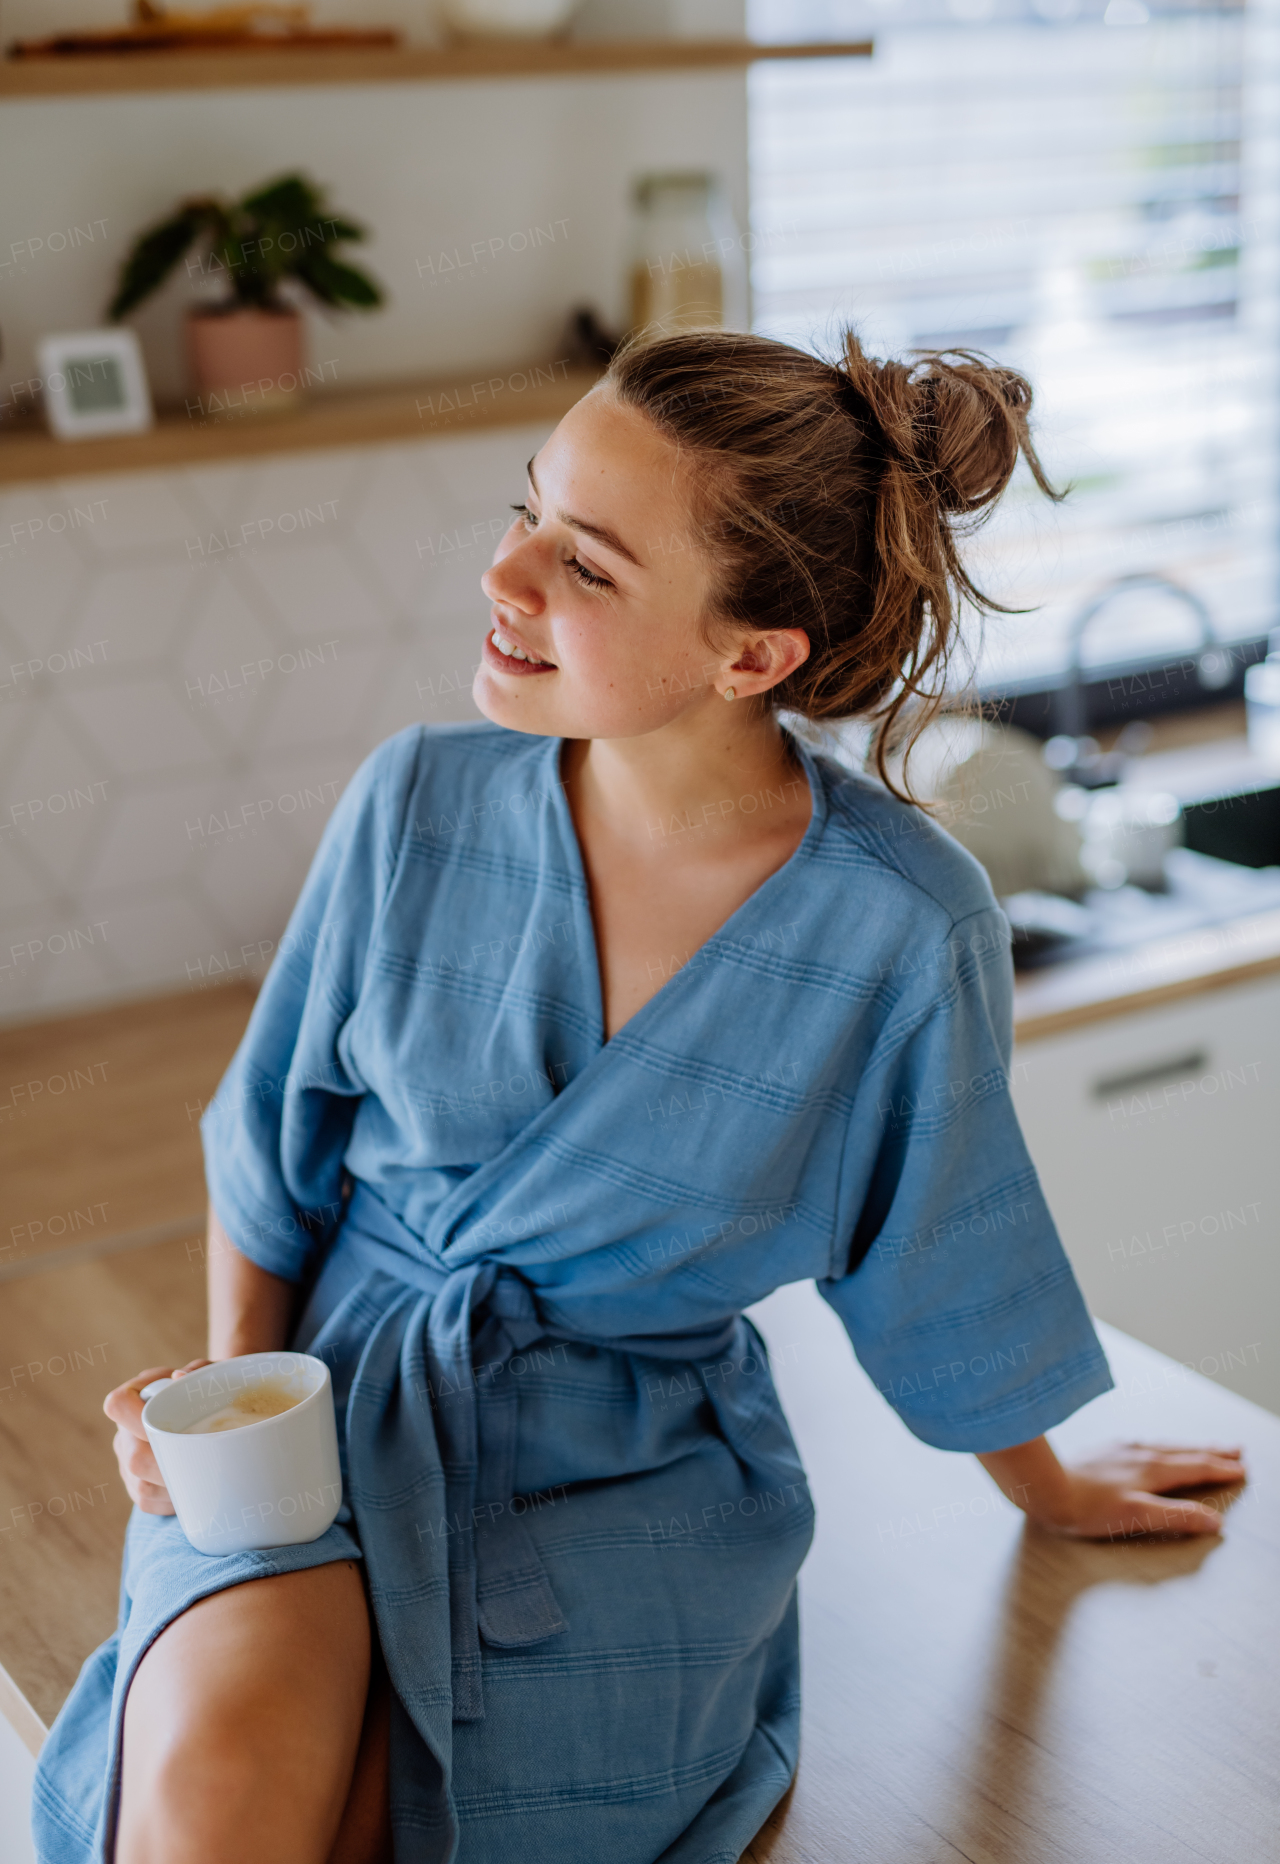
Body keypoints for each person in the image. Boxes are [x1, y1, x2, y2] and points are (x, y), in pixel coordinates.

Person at [33, 329, 1245, 1864]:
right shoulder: (415, 801)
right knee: (215, 1790)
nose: (508, 575)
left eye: (588, 566)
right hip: (329, 1407)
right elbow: (269, 1149)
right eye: (524, 509)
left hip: (629, 1475)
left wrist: (1051, 1483)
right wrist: (231, 1421)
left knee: (398, 1822)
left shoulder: (895, 923)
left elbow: (939, 1249)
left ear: (754, 657)